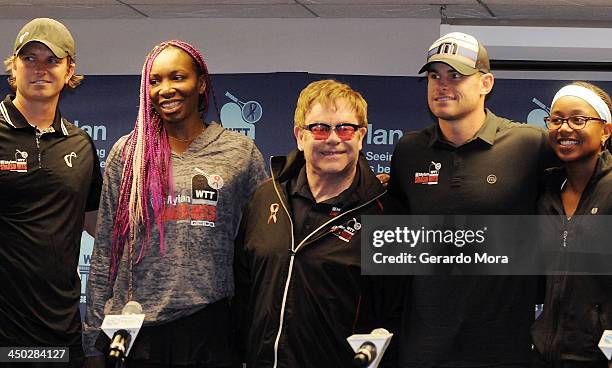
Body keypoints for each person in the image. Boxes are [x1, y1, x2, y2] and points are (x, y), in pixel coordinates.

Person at [83, 40, 266, 367]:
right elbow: (106, 250)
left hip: (208, 326)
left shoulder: (239, 153)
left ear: (201, 83)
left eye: (177, 77)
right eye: (155, 81)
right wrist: (93, 337)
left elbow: (263, 244)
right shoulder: (128, 154)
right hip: (132, 329)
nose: (165, 89)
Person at [387, 32, 554, 368]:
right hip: (423, 347)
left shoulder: (530, 144)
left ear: (485, 83)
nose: (442, 85)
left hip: (504, 347)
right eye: (434, 76)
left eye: (456, 75)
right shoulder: (409, 151)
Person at [233, 79, 398, 367]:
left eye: (345, 128)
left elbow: (394, 318)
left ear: (361, 136)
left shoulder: (386, 216)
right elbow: (243, 294)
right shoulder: (265, 198)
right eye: (320, 128)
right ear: (300, 135)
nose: (333, 139)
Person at [0, 18, 101, 367]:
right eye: (29, 59)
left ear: (69, 68)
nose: (39, 69)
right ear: (13, 64)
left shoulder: (81, 144)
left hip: (61, 332)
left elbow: (96, 224)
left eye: (51, 60)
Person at [531, 82, 612, 368]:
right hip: (544, 354)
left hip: (600, 358)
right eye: (556, 120)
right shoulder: (545, 192)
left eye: (578, 120)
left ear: (605, 131)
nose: (564, 129)